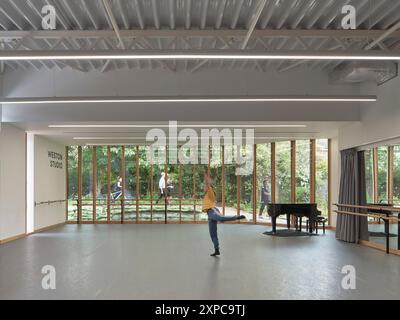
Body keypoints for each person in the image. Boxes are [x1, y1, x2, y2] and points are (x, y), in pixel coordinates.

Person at [203, 170, 246, 257]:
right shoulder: (207, 194)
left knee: (221, 218)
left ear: (208, 187)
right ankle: (217, 250)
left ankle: (236, 217)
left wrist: (206, 176)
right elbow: (207, 184)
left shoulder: (210, 191)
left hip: (212, 210)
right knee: (213, 234)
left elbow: (207, 183)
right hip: (209, 214)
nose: (204, 188)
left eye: (205, 186)